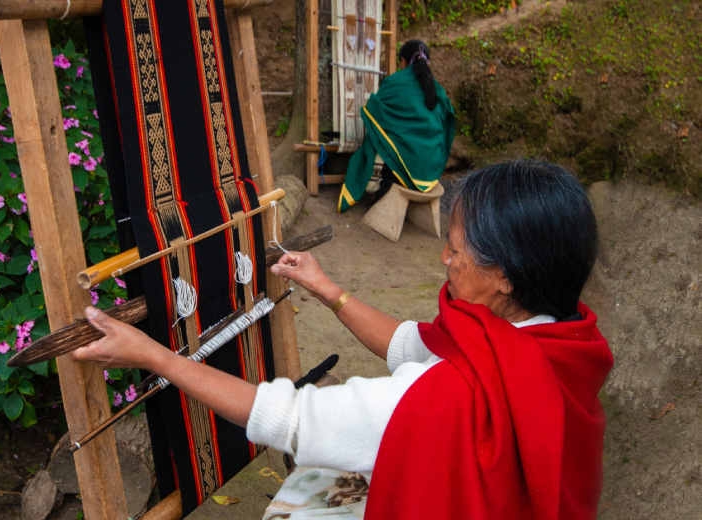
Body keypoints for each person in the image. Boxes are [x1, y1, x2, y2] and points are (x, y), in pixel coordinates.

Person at [72, 159, 614, 519]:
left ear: (506, 276)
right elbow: (412, 344)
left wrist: (154, 355)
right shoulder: (559, 343)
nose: (444, 258)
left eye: (455, 248)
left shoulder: (446, 395)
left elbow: (287, 417)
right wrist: (327, 289)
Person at [339, 40, 455, 212]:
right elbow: (447, 124)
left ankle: (383, 187)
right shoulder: (437, 90)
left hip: (408, 164)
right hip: (430, 168)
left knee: (378, 138)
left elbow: (373, 110)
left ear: (403, 61)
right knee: (393, 139)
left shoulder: (395, 82)